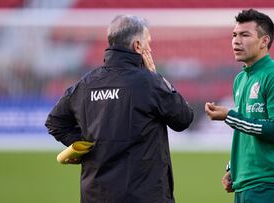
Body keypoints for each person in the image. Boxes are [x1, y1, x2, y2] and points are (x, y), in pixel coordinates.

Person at [45, 15, 194, 203]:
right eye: (148, 43)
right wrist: (157, 77)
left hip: (96, 195)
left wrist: (85, 148)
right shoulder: (149, 82)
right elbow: (184, 118)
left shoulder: (85, 84)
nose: (150, 48)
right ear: (138, 46)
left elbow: (55, 122)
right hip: (144, 196)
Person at [205, 9, 274, 203]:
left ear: (264, 41)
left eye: (245, 35)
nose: (236, 41)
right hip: (244, 184)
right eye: (234, 35)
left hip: (272, 184)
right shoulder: (240, 79)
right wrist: (234, 166)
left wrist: (229, 116)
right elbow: (246, 129)